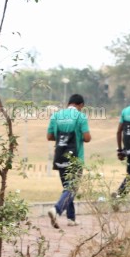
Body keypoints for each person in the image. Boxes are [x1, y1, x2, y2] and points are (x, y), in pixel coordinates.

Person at [46, 94, 91, 227]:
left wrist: (62, 140)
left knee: (67, 187)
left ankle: (71, 218)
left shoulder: (56, 116)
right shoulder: (80, 116)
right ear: (81, 105)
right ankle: (57, 209)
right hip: (75, 158)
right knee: (72, 188)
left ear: (69, 103)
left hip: (60, 156)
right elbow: (87, 137)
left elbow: (49, 136)